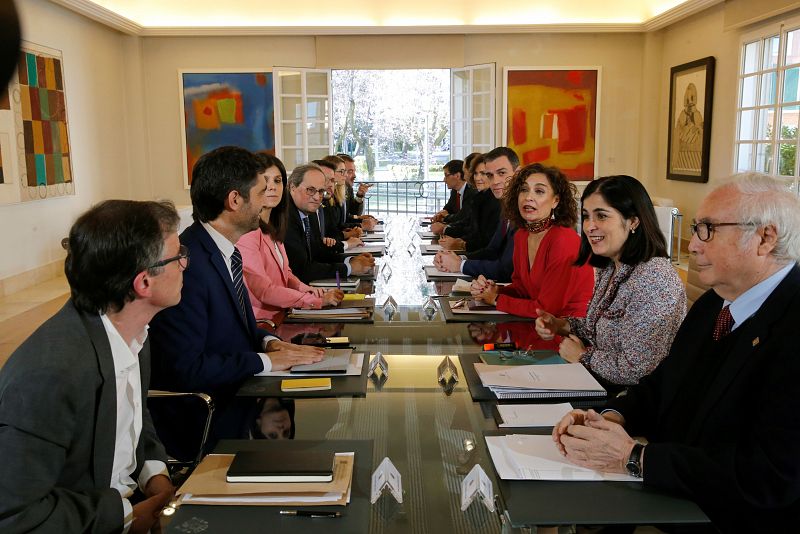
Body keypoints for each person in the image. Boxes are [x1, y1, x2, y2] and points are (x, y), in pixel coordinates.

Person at [552, 173, 800, 531]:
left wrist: (635, 457)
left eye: (707, 230)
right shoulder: (715, 303)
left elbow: (770, 474)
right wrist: (607, 417)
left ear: (765, 238)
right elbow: (663, 385)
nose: (693, 245)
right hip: (671, 496)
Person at [0, 200, 180, 533]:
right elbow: (15, 515)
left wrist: (155, 475)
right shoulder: (49, 373)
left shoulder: (134, 331)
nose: (185, 265)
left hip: (131, 501)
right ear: (144, 283)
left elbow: (134, 420)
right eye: (178, 257)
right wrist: (126, 516)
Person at [148, 146, 324, 459]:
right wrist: (266, 362)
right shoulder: (190, 265)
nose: (268, 200)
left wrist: (270, 343)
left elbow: (240, 327)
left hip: (240, 400)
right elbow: (187, 369)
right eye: (260, 192)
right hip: (207, 422)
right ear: (234, 201)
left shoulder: (225, 250)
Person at [536, 175, 686, 390]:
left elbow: (638, 370)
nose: (589, 226)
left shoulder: (654, 279)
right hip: (600, 386)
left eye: (602, 216)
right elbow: (600, 330)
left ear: (633, 221)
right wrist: (561, 325)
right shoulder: (611, 267)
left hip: (628, 407)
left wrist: (583, 356)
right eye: (586, 216)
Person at [471, 163, 594, 319]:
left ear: (555, 200)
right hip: (532, 324)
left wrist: (495, 299)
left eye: (539, 191)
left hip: (567, 331)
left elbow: (546, 309)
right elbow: (522, 289)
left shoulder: (565, 241)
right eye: (523, 190)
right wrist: (494, 290)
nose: (528, 197)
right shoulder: (522, 235)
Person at [238, 153, 343, 323]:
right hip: (264, 325)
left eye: (278, 180)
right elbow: (265, 290)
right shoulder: (247, 233)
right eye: (265, 180)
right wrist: (314, 300)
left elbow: (286, 273)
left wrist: (307, 290)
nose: (272, 187)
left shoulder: (274, 227)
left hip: (285, 314)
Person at [433, 146, 520, 282]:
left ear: (518, 173)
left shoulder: (525, 212)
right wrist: (459, 259)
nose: (495, 181)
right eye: (490, 175)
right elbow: (492, 250)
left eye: (502, 173)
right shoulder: (506, 207)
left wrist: (460, 263)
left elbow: (507, 268)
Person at [283, 163, 375, 284]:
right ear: (292, 187)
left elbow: (317, 254)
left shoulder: (304, 212)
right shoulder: (286, 218)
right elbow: (302, 271)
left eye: (320, 191)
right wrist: (349, 268)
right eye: (310, 190)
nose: (317, 197)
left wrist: (351, 260)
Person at [438, 154, 501, 253]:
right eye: (475, 173)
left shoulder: (495, 202)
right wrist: (460, 242)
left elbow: (488, 244)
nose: (477, 178)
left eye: (483, 173)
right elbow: (471, 228)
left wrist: (462, 246)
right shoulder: (480, 197)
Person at [430, 159, 474, 227]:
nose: (444, 180)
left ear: (457, 176)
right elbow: (448, 208)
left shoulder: (471, 192)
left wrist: (446, 217)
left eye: (446, 175)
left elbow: (462, 217)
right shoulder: (455, 190)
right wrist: (440, 214)